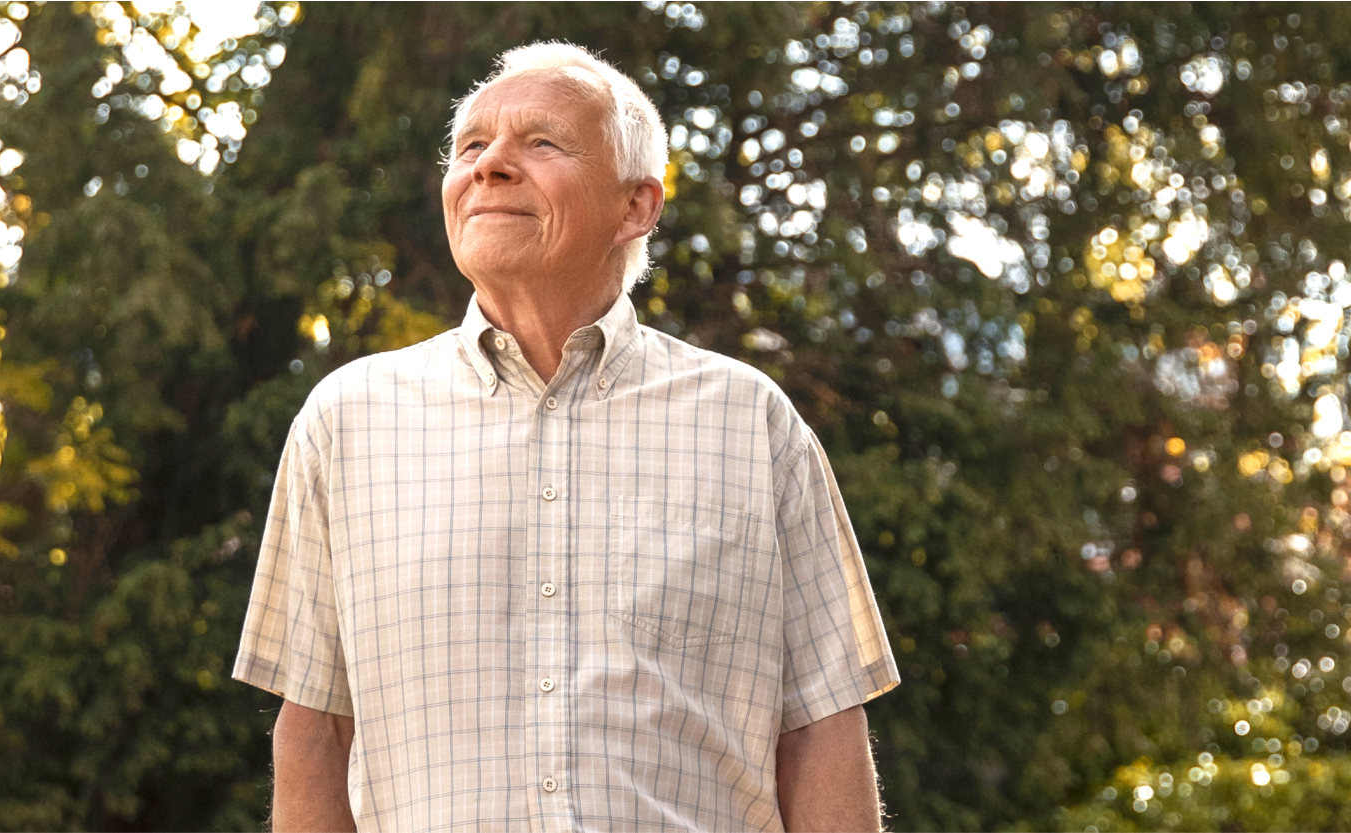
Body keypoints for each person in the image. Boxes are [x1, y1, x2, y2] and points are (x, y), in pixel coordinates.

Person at [233, 41, 900, 832]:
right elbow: (315, 734)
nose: (490, 166)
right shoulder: (343, 422)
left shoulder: (752, 423)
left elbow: (820, 726)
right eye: (472, 146)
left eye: (541, 142)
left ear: (636, 207)